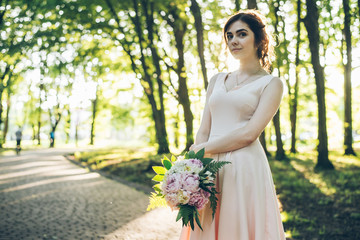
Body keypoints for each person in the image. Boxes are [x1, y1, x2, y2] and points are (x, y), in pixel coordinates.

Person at [180, 9, 286, 240]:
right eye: (229, 36)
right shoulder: (217, 80)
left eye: (241, 34)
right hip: (208, 166)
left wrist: (202, 149)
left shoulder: (272, 84)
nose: (234, 41)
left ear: (260, 39)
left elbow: (249, 134)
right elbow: (204, 128)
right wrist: (195, 168)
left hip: (244, 166)